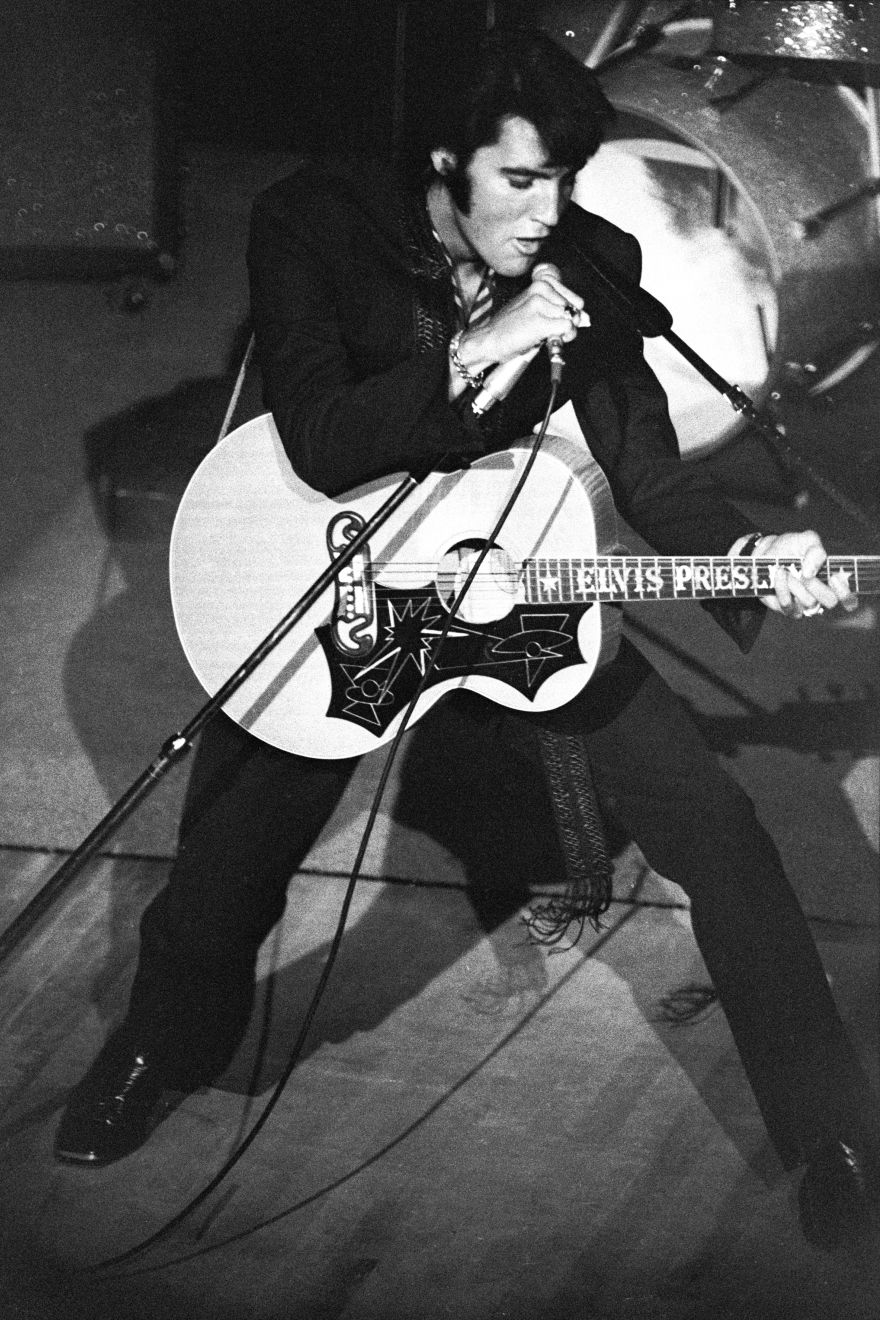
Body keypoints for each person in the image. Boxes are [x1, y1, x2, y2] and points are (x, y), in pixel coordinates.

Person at [56, 28, 878, 1250]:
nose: (549, 214)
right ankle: (159, 1045)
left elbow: (649, 471)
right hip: (354, 587)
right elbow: (323, 438)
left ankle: (832, 1132)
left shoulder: (591, 266)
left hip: (514, 604)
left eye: (565, 181)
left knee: (720, 830)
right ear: (447, 160)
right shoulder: (318, 225)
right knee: (236, 846)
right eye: (521, 181)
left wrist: (748, 560)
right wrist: (476, 350)